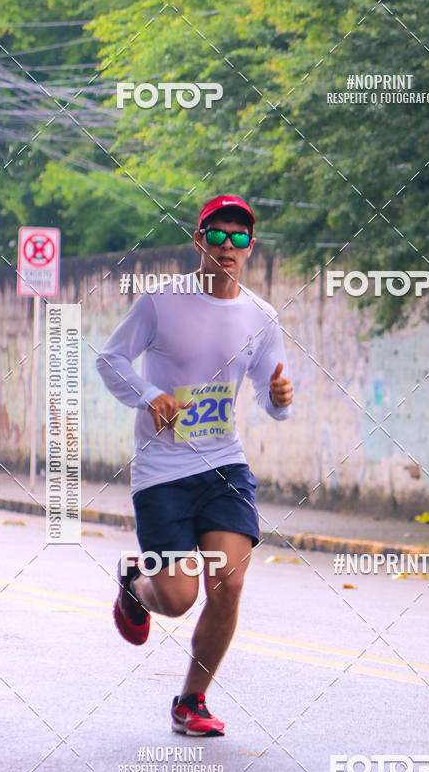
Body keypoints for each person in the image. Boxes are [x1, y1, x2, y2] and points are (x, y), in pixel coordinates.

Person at [96, 195, 293, 736]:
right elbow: (109, 360)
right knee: (179, 599)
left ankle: (191, 700)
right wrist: (149, 395)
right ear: (199, 239)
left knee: (227, 584)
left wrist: (279, 396)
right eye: (218, 235)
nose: (228, 246)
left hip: (224, 466)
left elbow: (273, 406)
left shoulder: (260, 316)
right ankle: (137, 585)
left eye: (240, 238)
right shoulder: (161, 303)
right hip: (162, 471)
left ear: (250, 247)